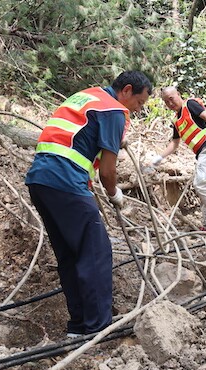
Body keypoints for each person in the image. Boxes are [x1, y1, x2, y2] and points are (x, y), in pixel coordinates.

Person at [25, 71, 153, 337]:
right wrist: (114, 193)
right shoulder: (114, 111)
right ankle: (97, 327)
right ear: (127, 90)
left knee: (71, 254)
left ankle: (79, 325)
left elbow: (79, 140)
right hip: (65, 183)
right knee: (96, 253)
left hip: (41, 182)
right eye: (140, 103)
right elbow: (108, 171)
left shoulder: (88, 96)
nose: (138, 109)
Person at [151, 86, 206, 230]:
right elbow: (174, 143)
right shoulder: (176, 121)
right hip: (204, 152)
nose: (170, 103)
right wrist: (160, 157)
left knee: (200, 184)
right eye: (166, 102)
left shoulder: (190, 105)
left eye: (171, 98)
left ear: (178, 94)